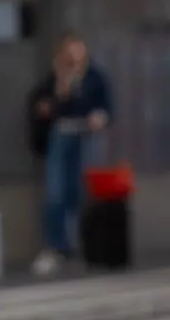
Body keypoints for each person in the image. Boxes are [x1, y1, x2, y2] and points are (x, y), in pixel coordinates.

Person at [28, 33, 113, 276]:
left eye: (77, 51)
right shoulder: (55, 79)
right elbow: (44, 106)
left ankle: (83, 247)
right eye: (68, 52)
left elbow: (106, 106)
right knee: (55, 193)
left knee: (81, 192)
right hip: (61, 133)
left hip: (85, 134)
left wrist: (100, 116)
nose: (73, 57)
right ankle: (56, 247)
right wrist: (61, 86)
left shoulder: (95, 78)